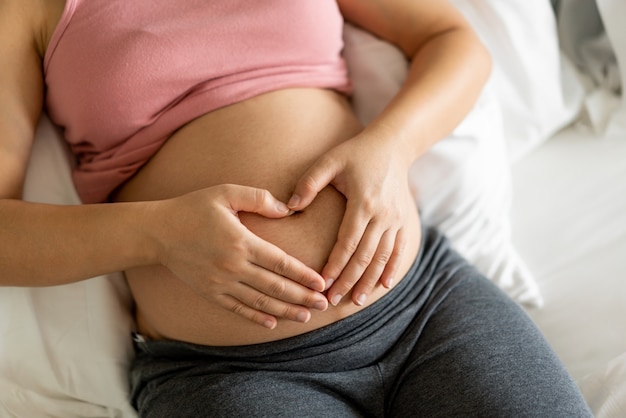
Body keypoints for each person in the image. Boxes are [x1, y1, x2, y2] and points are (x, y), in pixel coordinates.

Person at [0, 0, 592, 416]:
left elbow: (453, 39)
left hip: (425, 310)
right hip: (231, 375)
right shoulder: (26, 9)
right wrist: (158, 233)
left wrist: (392, 147)